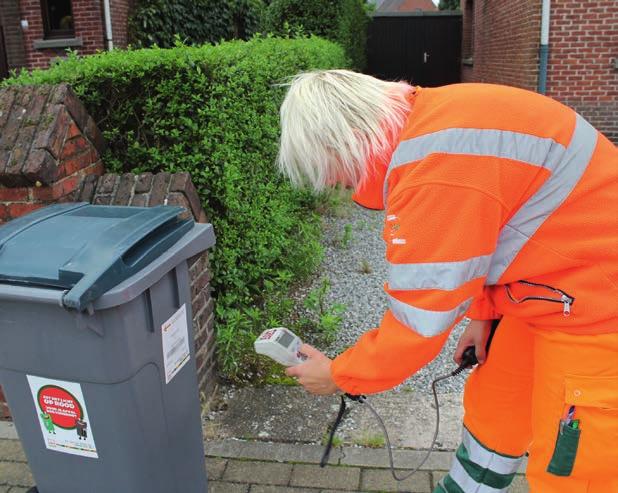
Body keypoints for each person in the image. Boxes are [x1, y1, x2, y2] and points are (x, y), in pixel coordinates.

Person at [277, 70, 618, 493]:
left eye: (325, 169)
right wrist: (483, 314)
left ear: (341, 141)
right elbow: (495, 230)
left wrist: (340, 374)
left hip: (599, 311)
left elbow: (419, 321)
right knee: (497, 406)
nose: (331, 183)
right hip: (551, 291)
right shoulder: (434, 124)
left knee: (576, 467)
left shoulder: (432, 169)